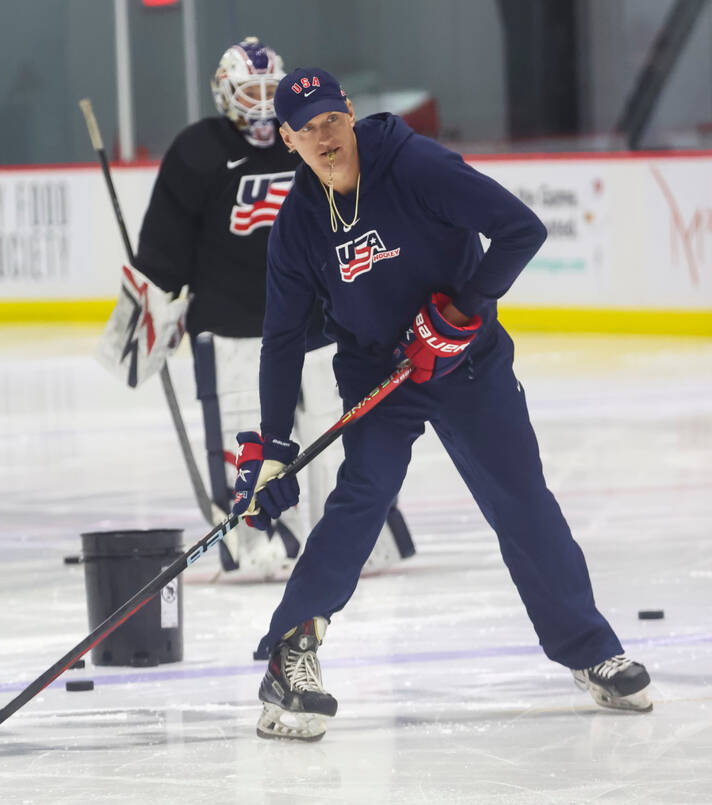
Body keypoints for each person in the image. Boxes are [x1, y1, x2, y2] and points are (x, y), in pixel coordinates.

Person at [231, 66, 653, 742]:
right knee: (362, 492)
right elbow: (281, 340)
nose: (324, 137)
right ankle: (291, 653)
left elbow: (521, 229)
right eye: (307, 130)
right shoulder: (297, 228)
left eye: (332, 121)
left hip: (469, 361)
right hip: (379, 370)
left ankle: (588, 648)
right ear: (288, 139)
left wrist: (460, 312)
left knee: (520, 498)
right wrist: (275, 445)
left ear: (348, 113)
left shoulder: (414, 166)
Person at [134, 38, 414, 581]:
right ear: (225, 93)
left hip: (324, 323)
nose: (262, 105)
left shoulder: (310, 141)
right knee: (249, 439)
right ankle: (259, 542)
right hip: (231, 326)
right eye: (250, 91)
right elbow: (164, 244)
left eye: (270, 91)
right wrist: (154, 306)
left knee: (341, 432)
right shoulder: (197, 150)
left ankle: (361, 537)